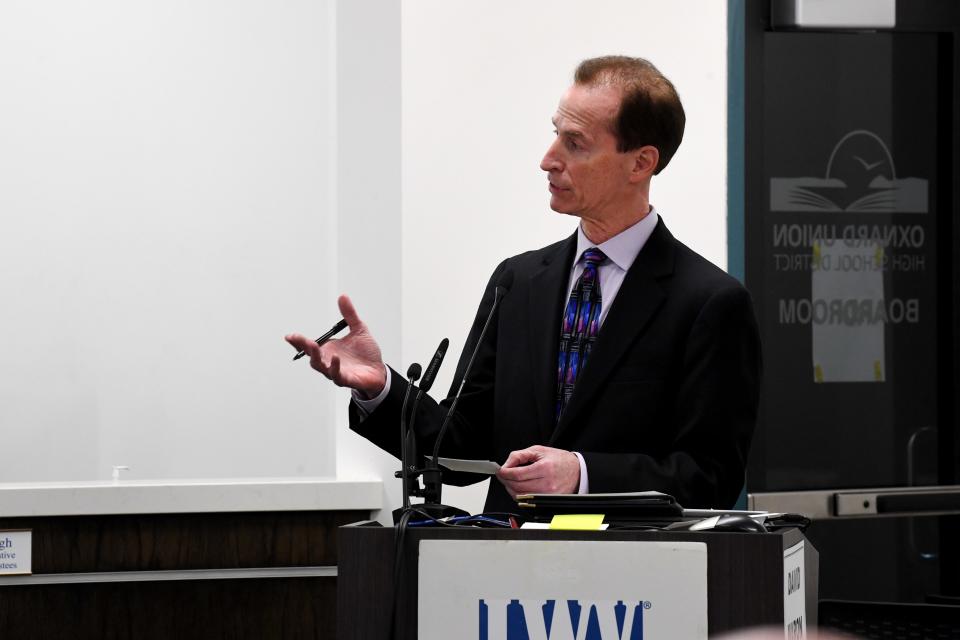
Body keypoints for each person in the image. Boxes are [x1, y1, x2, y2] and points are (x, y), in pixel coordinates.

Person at [286, 55, 761, 514]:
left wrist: (582, 474)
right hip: (510, 567)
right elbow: (462, 443)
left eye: (575, 143)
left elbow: (711, 475)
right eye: (556, 135)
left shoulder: (709, 303)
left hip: (635, 577)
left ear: (640, 164)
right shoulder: (517, 282)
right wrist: (381, 390)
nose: (547, 160)